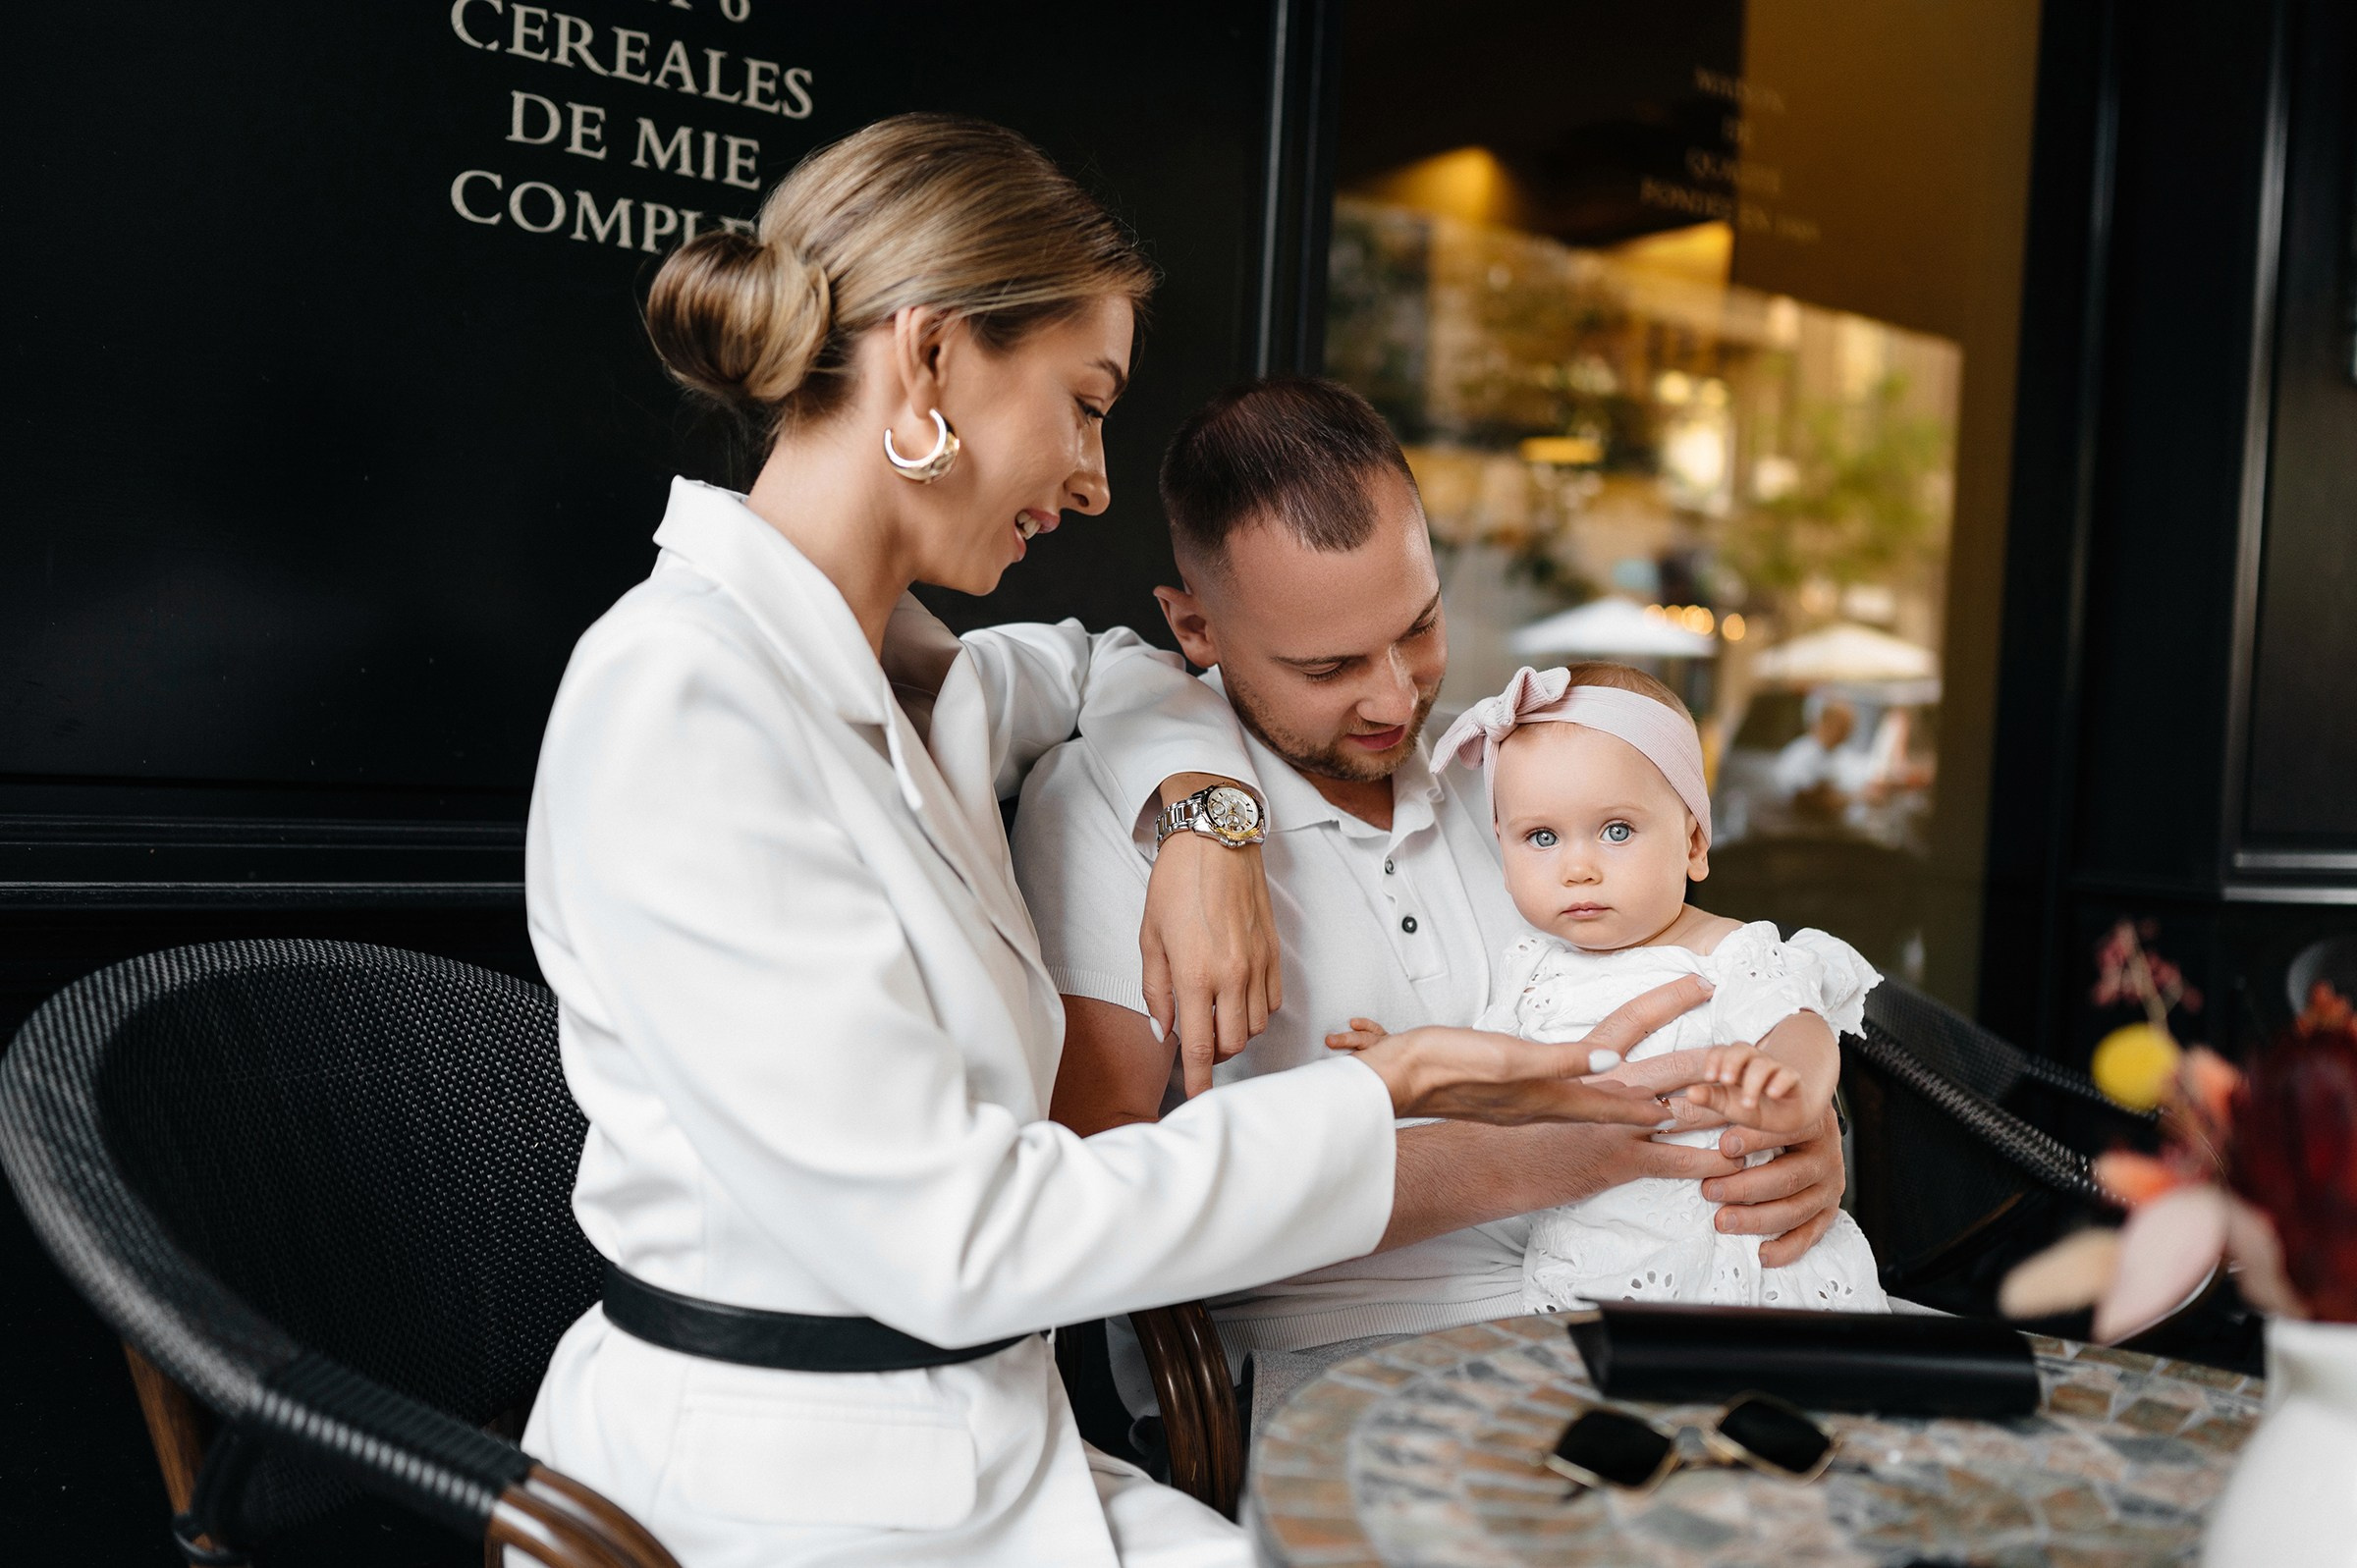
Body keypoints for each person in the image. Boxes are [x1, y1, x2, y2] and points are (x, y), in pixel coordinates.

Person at [519, 116, 1697, 1568]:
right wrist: (1392, 1090)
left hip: (981, 1450)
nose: (1089, 477)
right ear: (931, 361)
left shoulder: (915, 673)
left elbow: (1114, 665)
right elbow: (966, 1242)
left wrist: (1213, 823)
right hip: (783, 1494)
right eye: (1083, 403)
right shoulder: (681, 702)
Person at [1013, 377, 1852, 1425]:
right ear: (1195, 629)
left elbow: (1708, 979)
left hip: (1638, 1301)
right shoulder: (1110, 807)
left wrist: (1792, 1141)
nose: (1395, 698)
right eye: (1328, 666)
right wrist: (1528, 1158)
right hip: (1329, 1355)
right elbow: (1094, 1212)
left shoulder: (1504, 771)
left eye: (1417, 628)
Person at [1338, 661, 1889, 1314]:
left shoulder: (1727, 952)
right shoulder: (1530, 969)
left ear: (1692, 842)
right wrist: (1407, 1060)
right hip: (1594, 1276)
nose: (1578, 867)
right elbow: (1484, 1077)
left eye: (1617, 830)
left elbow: (1800, 1027)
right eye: (1541, 836)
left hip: (1745, 1269)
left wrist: (1790, 1085)